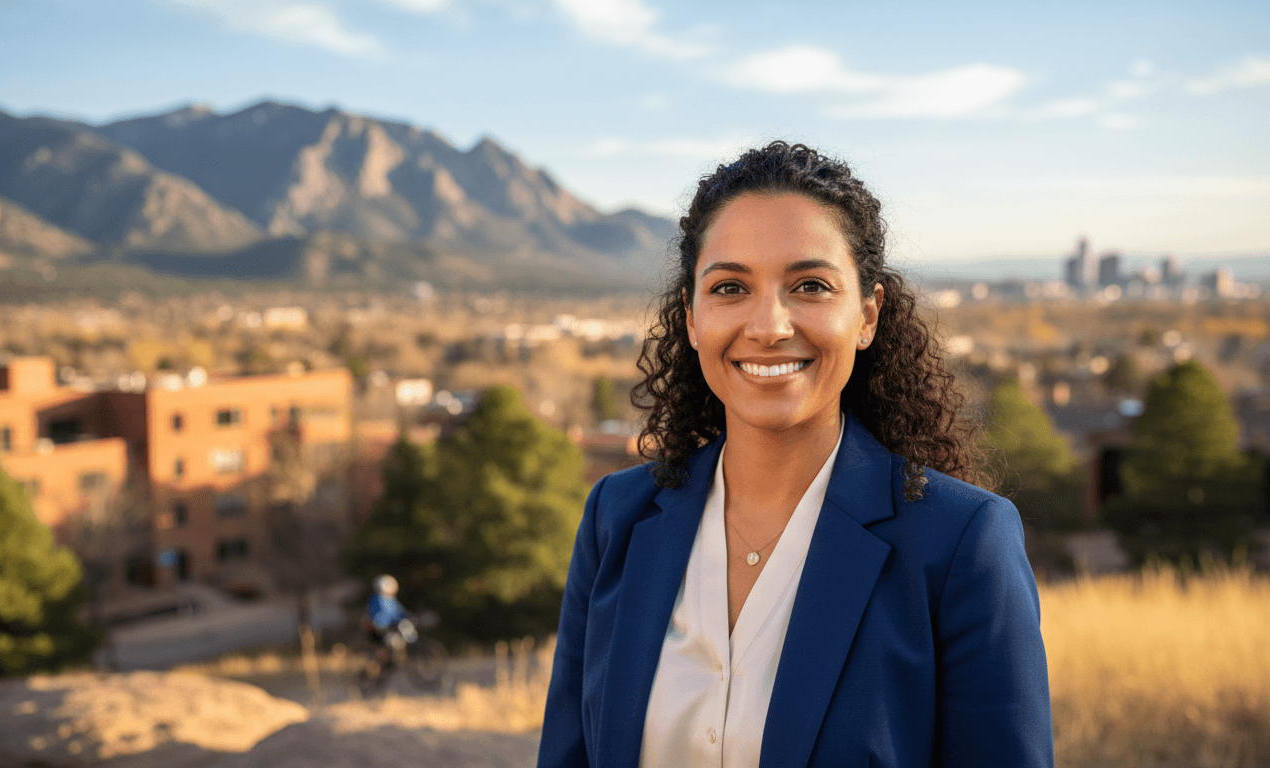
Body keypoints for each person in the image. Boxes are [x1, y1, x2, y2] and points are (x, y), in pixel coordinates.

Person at [538, 141, 1053, 767]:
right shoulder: (616, 518)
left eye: (810, 285)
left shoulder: (961, 543)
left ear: (867, 316)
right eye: (730, 287)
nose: (769, 326)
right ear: (692, 317)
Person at [364, 574, 414, 650]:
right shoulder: (377, 599)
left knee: (406, 628)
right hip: (383, 628)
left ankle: (412, 647)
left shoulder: (390, 600)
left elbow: (400, 613)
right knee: (393, 640)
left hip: (391, 626)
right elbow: (379, 617)